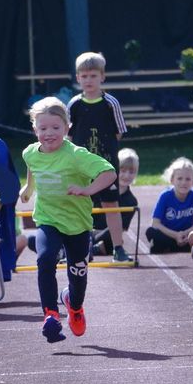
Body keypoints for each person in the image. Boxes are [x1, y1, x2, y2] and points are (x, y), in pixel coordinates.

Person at [18, 97, 116, 343]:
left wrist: (87, 190)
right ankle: (51, 314)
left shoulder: (76, 155)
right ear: (35, 129)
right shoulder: (30, 152)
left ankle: (74, 305)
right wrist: (29, 188)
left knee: (78, 274)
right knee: (45, 258)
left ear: (67, 127)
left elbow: (109, 173)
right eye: (43, 128)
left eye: (55, 127)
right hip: (48, 219)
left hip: (77, 224)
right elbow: (32, 166)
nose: (49, 133)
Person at [69, 51, 131, 262]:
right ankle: (82, 248)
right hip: (80, 167)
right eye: (84, 76)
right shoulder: (74, 104)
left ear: (102, 77)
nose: (89, 80)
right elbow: (68, 136)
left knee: (110, 206)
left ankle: (118, 248)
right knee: (80, 208)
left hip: (106, 167)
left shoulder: (110, 103)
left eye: (93, 75)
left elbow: (119, 132)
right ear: (78, 78)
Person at [145, 157, 193, 254]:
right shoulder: (165, 196)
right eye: (179, 178)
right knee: (151, 231)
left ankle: (176, 246)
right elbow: (155, 223)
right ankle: (173, 246)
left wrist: (185, 233)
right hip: (169, 234)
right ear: (172, 180)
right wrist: (176, 235)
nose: (183, 182)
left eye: (188, 179)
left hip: (187, 235)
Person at [92, 147, 139, 256]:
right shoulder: (101, 190)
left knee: (116, 239)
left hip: (108, 235)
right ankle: (92, 247)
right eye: (123, 171)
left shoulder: (131, 201)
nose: (127, 176)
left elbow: (121, 229)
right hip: (90, 231)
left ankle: (94, 248)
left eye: (131, 172)